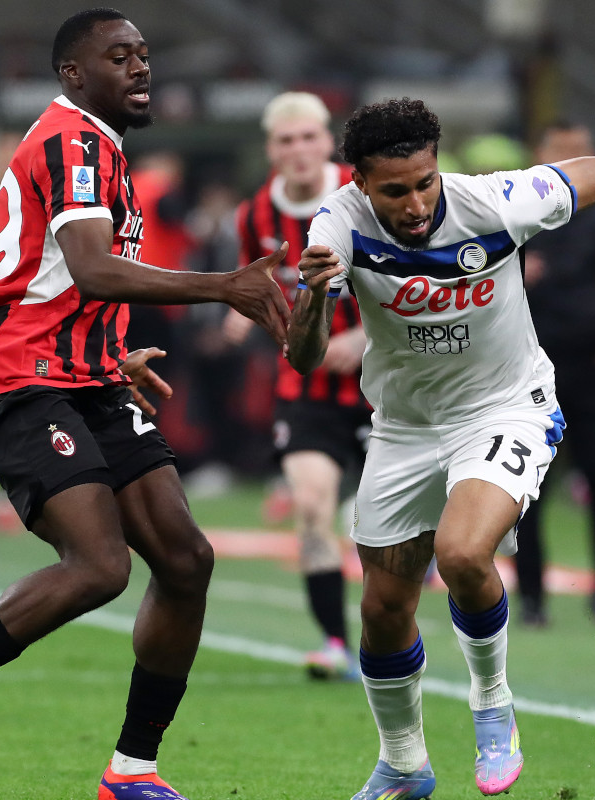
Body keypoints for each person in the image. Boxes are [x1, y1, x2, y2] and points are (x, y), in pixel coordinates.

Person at [0, 9, 289, 800]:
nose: (140, 67)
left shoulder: (98, 146)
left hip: (83, 377)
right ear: (73, 73)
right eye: (119, 56)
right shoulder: (73, 142)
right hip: (19, 378)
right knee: (100, 566)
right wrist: (224, 286)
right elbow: (94, 268)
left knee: (185, 559)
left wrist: (106, 356)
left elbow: (57, 280)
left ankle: (132, 770)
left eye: (144, 54)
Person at [287, 98, 595, 799]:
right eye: (395, 191)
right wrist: (313, 299)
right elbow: (306, 357)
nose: (415, 204)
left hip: (506, 409)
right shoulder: (336, 228)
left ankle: (492, 703)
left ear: (439, 166)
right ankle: (404, 765)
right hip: (404, 427)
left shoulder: (496, 201)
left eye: (425, 181)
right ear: (361, 182)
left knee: (463, 553)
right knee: (382, 609)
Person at [225, 91, 368, 679]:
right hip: (306, 387)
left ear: (328, 141)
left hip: (390, 380)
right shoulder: (255, 217)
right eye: (287, 140)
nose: (299, 149)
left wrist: (363, 338)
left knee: (401, 530)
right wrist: (243, 317)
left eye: (309, 137)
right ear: (271, 150)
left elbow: (417, 276)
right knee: (311, 507)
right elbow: (257, 289)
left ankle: (395, 640)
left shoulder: (367, 194)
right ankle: (335, 642)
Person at [511, 122, 595, 628]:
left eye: (581, 151)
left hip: (590, 361)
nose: (573, 161)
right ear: (540, 154)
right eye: (562, 151)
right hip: (531, 365)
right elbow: (476, 274)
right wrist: (516, 275)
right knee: (528, 484)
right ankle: (531, 597)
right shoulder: (515, 209)